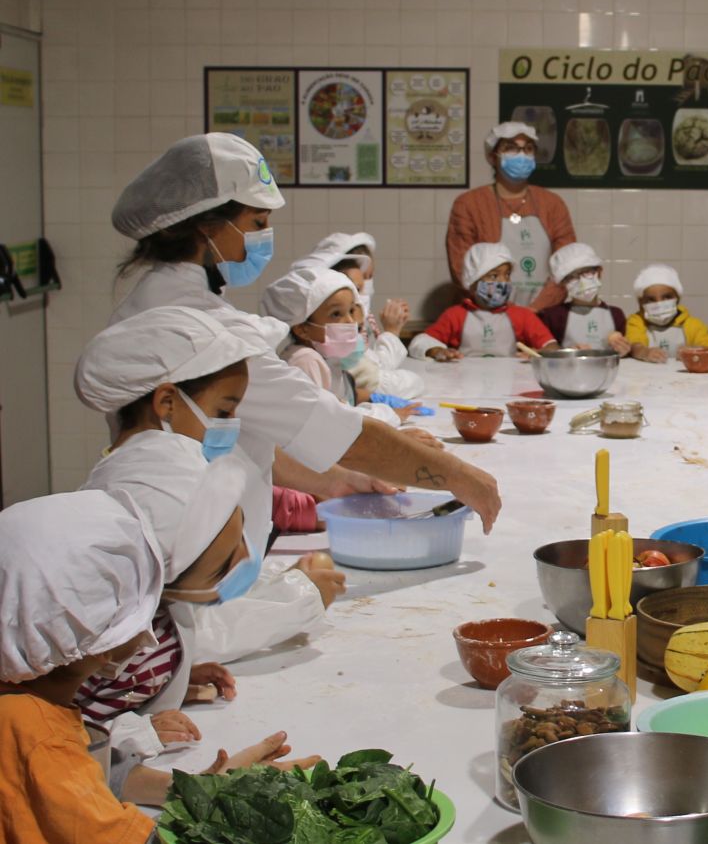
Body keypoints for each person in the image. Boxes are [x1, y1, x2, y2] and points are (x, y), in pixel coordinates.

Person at [108, 133, 501, 534]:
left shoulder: (162, 300)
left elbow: (251, 437)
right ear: (207, 227)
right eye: (257, 222)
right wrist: (459, 476)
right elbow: (325, 425)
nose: (266, 236)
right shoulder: (196, 325)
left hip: (201, 535)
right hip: (190, 544)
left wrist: (337, 480)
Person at [0, 489, 317, 839]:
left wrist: (202, 789)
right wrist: (232, 803)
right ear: (108, 641)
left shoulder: (26, 707)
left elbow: (97, 778)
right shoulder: (42, 740)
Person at [74, 306, 344, 670]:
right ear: (167, 403)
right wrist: (302, 599)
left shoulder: (147, 468)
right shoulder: (157, 490)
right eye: (223, 412)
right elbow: (189, 634)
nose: (231, 428)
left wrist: (278, 583)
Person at [445, 122, 577, 310]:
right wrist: (501, 309)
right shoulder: (468, 204)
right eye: (511, 149)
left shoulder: (553, 204)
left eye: (528, 149)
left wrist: (533, 312)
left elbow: (568, 265)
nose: (521, 155)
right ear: (493, 157)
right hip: (485, 316)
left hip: (543, 318)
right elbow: (462, 269)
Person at [293, 231, 426, 400]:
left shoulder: (324, 348)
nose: (350, 320)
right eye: (337, 313)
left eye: (368, 279)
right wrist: (392, 332)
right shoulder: (309, 359)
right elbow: (375, 380)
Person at [409, 242, 559, 361]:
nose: (503, 282)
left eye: (507, 275)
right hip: (463, 384)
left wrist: (540, 354)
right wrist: (437, 351)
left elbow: (551, 346)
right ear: (473, 282)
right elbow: (421, 342)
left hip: (511, 383)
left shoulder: (521, 315)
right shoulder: (455, 315)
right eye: (493, 276)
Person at [262, 267, 363, 406]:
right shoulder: (306, 360)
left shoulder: (323, 359)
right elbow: (323, 417)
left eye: (351, 310)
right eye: (336, 314)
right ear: (302, 329)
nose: (351, 321)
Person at [539, 242, 629, 353]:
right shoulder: (553, 316)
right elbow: (545, 350)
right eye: (572, 277)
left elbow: (623, 352)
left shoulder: (616, 315)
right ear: (563, 284)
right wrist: (565, 353)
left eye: (586, 272)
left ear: (599, 272)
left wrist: (624, 350)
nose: (582, 282)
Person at [625, 264, 708, 363]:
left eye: (666, 297)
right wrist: (645, 352)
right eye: (651, 300)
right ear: (641, 303)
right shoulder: (636, 322)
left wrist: (694, 351)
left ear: (677, 298)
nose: (659, 304)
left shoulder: (692, 324)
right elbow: (634, 344)